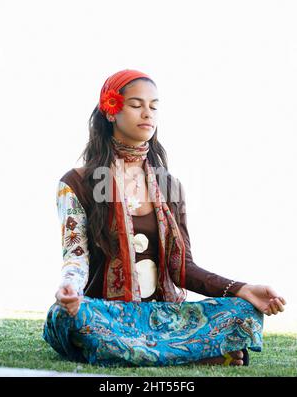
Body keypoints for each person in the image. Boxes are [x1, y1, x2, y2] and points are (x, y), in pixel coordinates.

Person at [43, 69, 286, 367]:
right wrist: (70, 288)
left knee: (244, 311)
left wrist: (242, 289)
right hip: (103, 314)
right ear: (111, 111)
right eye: (136, 105)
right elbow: (76, 256)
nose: (147, 113)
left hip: (161, 318)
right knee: (66, 317)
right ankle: (194, 353)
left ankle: (153, 351)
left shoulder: (169, 185)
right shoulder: (77, 182)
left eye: (154, 106)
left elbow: (182, 267)